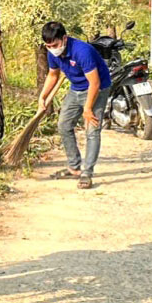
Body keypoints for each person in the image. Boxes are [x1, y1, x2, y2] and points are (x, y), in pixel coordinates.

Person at [40, 20, 111, 190]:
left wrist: (87, 108)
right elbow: (53, 75)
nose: (52, 49)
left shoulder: (82, 51)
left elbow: (94, 83)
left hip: (97, 89)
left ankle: (87, 173)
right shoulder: (53, 53)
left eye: (55, 45)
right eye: (48, 46)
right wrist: (42, 97)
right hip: (76, 88)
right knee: (64, 125)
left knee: (92, 130)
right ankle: (74, 167)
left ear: (64, 39)